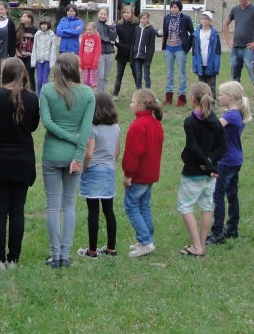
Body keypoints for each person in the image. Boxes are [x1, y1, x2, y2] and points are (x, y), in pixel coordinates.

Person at [40, 53, 96, 268]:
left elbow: (47, 122)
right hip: (74, 155)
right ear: (75, 69)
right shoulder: (87, 93)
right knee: (69, 205)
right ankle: (65, 255)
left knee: (53, 207)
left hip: (52, 154)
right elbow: (86, 130)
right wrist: (77, 151)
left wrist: (70, 139)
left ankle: (55, 255)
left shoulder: (47, 90)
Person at [0, 58, 40, 270]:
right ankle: (13, 259)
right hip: (23, 159)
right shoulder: (32, 99)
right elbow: (33, 126)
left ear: (4, 73)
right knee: (17, 210)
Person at [177, 82, 226, 257]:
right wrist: (210, 164)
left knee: (185, 206)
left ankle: (198, 246)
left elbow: (194, 148)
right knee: (207, 207)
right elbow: (222, 148)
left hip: (193, 173)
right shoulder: (216, 121)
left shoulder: (190, 122)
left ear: (192, 99)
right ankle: (201, 245)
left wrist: (206, 164)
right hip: (211, 174)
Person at [77, 91, 121, 258]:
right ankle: (111, 248)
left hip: (93, 170)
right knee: (109, 210)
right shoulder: (116, 128)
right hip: (108, 170)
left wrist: (83, 168)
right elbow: (116, 151)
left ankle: (92, 250)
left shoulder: (92, 128)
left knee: (93, 211)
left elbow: (89, 153)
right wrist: (109, 162)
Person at [206, 81, 251, 245]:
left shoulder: (229, 116)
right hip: (235, 159)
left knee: (218, 196)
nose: (218, 97)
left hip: (226, 161)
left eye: (221, 95)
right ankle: (232, 228)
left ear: (230, 97)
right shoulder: (238, 113)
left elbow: (213, 129)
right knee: (232, 194)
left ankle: (217, 232)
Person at [123, 88, 164, 257]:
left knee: (131, 206)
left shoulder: (138, 126)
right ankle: (147, 239)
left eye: (132, 102)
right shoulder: (156, 123)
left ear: (140, 105)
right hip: (150, 173)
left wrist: (128, 174)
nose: (130, 105)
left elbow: (132, 154)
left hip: (139, 175)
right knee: (144, 206)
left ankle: (145, 241)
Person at [161, 0, 194, 107]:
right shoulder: (167, 17)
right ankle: (168, 97)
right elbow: (165, 32)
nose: (173, 9)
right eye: (172, 7)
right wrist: (164, 46)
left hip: (180, 48)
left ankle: (181, 97)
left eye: (175, 7)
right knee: (169, 74)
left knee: (181, 74)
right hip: (169, 48)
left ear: (179, 8)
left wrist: (187, 46)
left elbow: (192, 33)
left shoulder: (185, 18)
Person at [191, 11, 221, 100]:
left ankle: (211, 103)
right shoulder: (196, 34)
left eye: (206, 19)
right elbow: (194, 52)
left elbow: (217, 52)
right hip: (200, 64)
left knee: (211, 86)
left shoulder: (214, 34)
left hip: (211, 64)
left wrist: (216, 65)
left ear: (210, 21)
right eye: (203, 19)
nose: (204, 21)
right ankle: (201, 102)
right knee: (201, 86)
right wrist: (195, 65)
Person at [112, 5, 138, 98]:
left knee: (136, 74)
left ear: (132, 14)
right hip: (121, 52)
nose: (126, 14)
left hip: (132, 53)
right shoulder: (119, 25)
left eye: (128, 13)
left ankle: (140, 93)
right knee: (119, 74)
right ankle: (115, 93)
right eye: (124, 13)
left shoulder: (136, 25)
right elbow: (112, 36)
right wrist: (115, 43)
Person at [130, 12, 157, 90]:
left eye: (144, 18)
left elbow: (152, 46)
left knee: (146, 76)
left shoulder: (151, 30)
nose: (142, 20)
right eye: (141, 19)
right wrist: (132, 57)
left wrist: (149, 59)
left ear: (148, 19)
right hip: (137, 56)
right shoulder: (137, 29)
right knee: (138, 76)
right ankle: (139, 92)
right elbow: (133, 43)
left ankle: (148, 92)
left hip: (145, 57)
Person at [95, 7, 118, 94]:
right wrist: (109, 41)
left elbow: (113, 37)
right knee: (100, 76)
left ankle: (103, 94)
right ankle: (98, 95)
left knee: (105, 77)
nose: (103, 16)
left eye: (105, 14)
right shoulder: (95, 25)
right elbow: (98, 37)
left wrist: (111, 27)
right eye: (101, 14)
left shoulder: (111, 25)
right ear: (98, 14)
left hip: (109, 52)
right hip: (99, 52)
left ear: (107, 15)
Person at [33, 17, 57, 94]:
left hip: (47, 60)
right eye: (42, 24)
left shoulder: (51, 35)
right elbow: (34, 48)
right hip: (39, 60)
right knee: (39, 80)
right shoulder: (37, 34)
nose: (43, 26)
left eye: (45, 24)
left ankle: (46, 94)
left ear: (48, 25)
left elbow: (53, 49)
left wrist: (52, 62)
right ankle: (39, 95)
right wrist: (33, 61)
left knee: (45, 80)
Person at [16, 11, 37, 91]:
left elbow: (36, 43)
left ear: (29, 19)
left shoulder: (35, 30)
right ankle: (21, 90)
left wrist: (33, 53)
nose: (22, 18)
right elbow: (14, 42)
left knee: (30, 74)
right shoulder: (18, 29)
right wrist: (16, 52)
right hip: (20, 55)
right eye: (22, 16)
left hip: (30, 56)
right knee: (20, 74)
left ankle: (32, 91)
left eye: (24, 16)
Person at [79, 22, 102, 89]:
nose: (88, 31)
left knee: (93, 82)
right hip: (85, 64)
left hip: (92, 65)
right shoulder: (84, 36)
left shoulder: (97, 37)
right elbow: (81, 50)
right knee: (85, 82)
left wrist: (95, 62)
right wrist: (81, 62)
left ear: (95, 30)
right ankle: (86, 94)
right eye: (87, 30)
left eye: (90, 30)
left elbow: (98, 51)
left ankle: (93, 94)